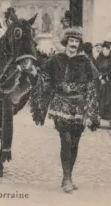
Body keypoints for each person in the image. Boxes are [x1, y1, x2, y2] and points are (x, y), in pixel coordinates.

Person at [31, 27, 99, 193]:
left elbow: (92, 85)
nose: (73, 44)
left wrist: (91, 111)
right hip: (61, 104)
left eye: (76, 42)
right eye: (71, 41)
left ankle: (68, 175)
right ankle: (67, 177)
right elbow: (44, 76)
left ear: (79, 44)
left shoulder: (86, 62)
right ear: (66, 43)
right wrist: (36, 76)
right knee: (66, 141)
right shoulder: (56, 59)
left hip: (80, 107)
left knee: (75, 143)